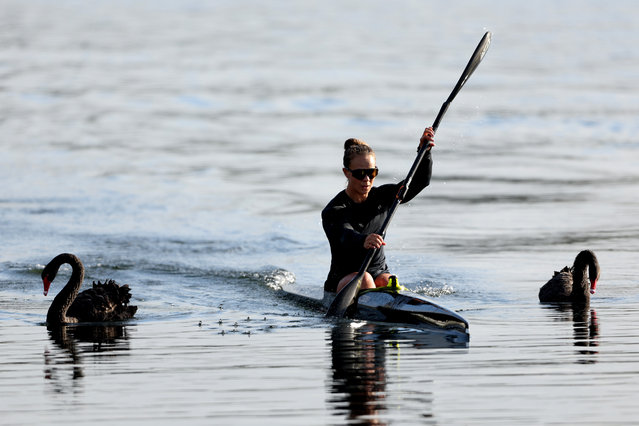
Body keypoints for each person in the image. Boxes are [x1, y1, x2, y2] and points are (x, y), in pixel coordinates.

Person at [322, 127, 436, 294]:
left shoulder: (383, 197)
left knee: (387, 280)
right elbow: (344, 234)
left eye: (371, 172)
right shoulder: (334, 210)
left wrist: (424, 151)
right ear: (346, 173)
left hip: (378, 273)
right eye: (360, 174)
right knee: (366, 279)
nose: (367, 179)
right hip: (343, 279)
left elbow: (419, 182)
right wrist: (363, 240)